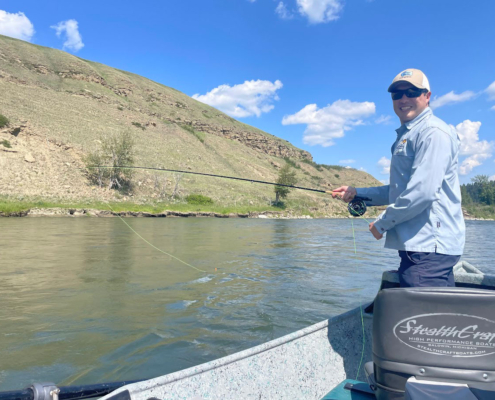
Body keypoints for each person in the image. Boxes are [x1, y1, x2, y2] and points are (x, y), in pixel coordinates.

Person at [332, 68, 465, 287]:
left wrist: (382, 224)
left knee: (424, 319)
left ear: (427, 96)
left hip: (429, 249)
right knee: (429, 316)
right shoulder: (409, 134)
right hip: (418, 249)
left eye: (412, 92)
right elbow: (400, 189)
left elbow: (422, 192)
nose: (403, 99)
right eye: (397, 94)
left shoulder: (433, 132)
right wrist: (357, 193)